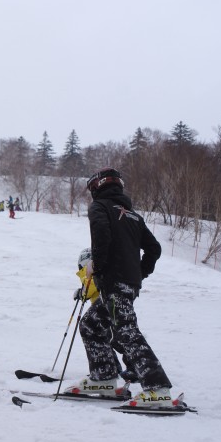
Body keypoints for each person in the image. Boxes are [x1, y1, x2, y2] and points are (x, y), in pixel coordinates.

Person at [66, 167, 172, 407]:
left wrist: (99, 267)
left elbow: (101, 236)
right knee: (91, 324)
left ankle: (158, 389)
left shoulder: (100, 207)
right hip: (126, 284)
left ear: (97, 187)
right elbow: (154, 248)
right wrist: (138, 274)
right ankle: (104, 378)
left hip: (114, 282)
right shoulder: (133, 215)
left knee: (126, 332)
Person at [71, 248, 137, 384]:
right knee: (104, 340)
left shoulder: (95, 272)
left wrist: (82, 292)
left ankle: (133, 368)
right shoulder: (89, 272)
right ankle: (111, 366)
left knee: (116, 340)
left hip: (107, 310)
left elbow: (91, 288)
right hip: (100, 313)